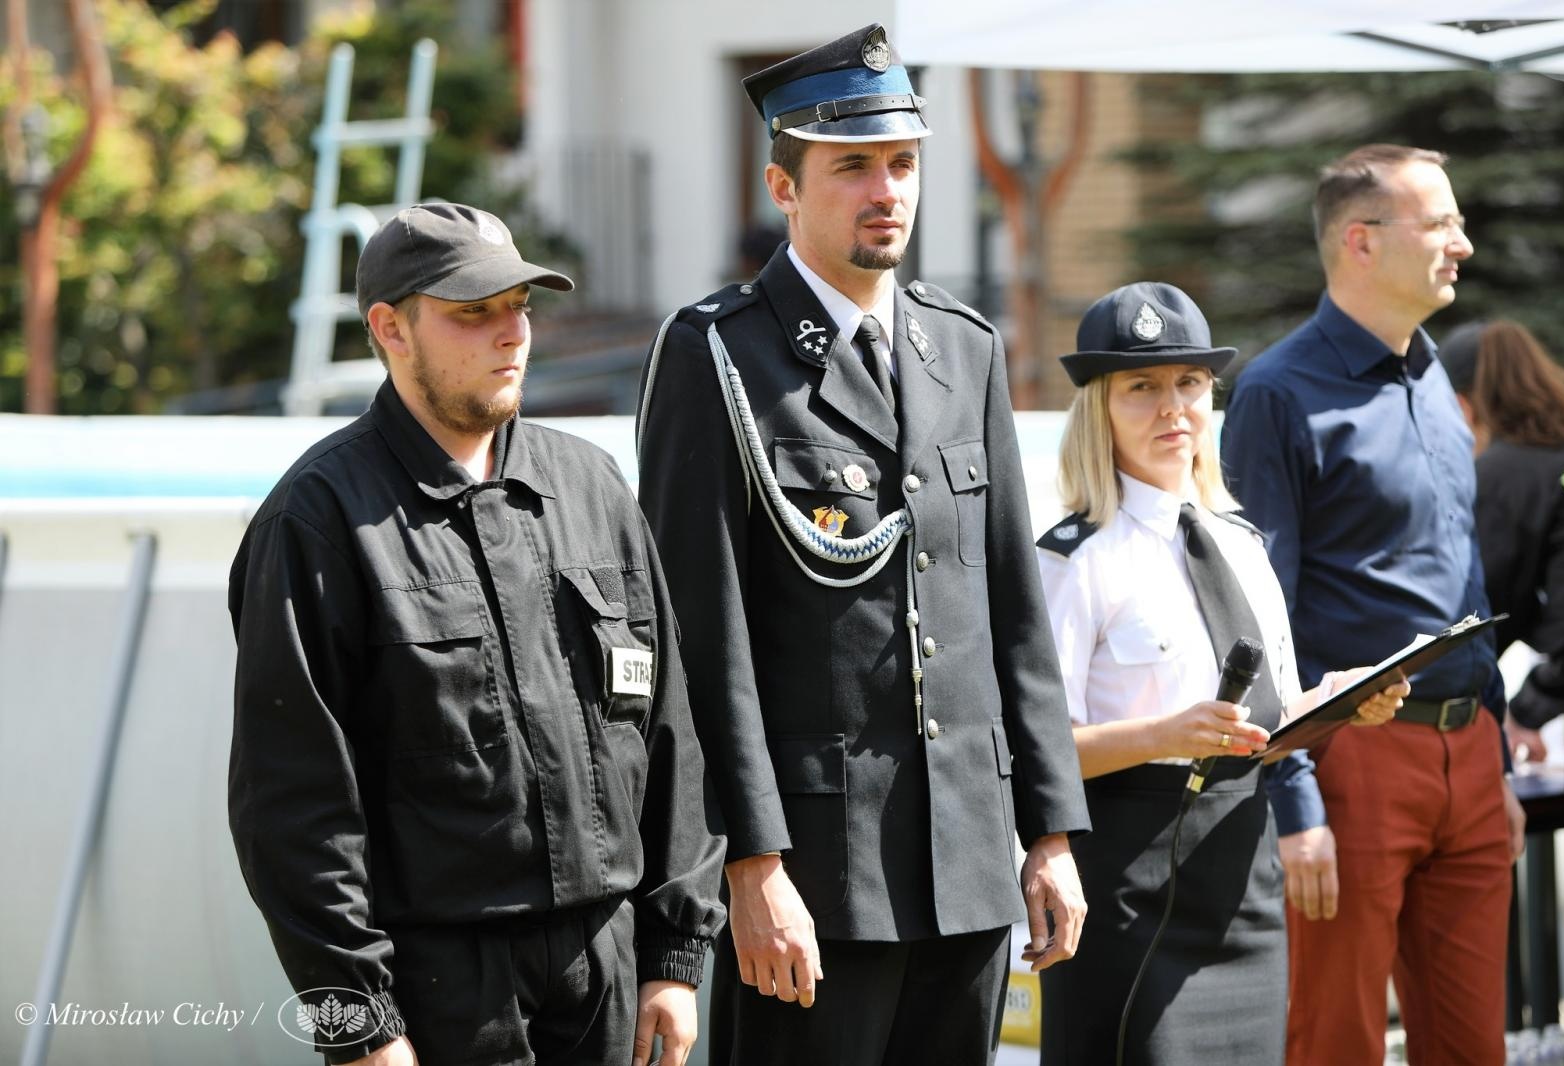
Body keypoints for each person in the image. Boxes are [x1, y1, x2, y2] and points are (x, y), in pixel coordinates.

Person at [635, 24, 1091, 1066]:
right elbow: (702, 640)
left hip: (968, 858)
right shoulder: (718, 354)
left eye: (901, 164)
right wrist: (748, 864)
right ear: (784, 187)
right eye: (851, 167)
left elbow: (1010, 612)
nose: (885, 190)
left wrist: (1049, 831)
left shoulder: (962, 347)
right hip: (816, 874)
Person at [228, 202, 725, 1066]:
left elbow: (671, 733)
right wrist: (359, 1029)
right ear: (390, 328)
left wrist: (675, 956)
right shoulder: (319, 520)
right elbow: (293, 803)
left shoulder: (593, 489)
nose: (512, 334)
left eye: (520, 306)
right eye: (473, 314)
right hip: (436, 993)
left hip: (607, 973)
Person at [1034, 281, 1406, 1064]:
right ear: (1099, 406)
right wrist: (1163, 734)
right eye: (1143, 387)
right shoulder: (1073, 560)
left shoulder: (1240, 541)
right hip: (1130, 872)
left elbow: (1268, 717)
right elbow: (1035, 754)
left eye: (1190, 384)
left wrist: (1336, 703)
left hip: (1243, 867)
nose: (1174, 408)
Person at [1221, 144, 1524, 1066]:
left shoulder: (1435, 377)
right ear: (1361, 241)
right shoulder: (1276, 393)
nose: (1462, 244)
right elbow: (1256, 607)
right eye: (1440, 223)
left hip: (1468, 760)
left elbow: (1460, 578)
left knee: (1473, 1047)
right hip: (1350, 760)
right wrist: (1295, 797)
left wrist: (1497, 759)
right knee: (1335, 1041)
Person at [1439, 318, 1564, 1066]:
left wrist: (1452, 708)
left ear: (1468, 404)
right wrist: (1534, 707)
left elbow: (1484, 615)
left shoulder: (1505, 470)